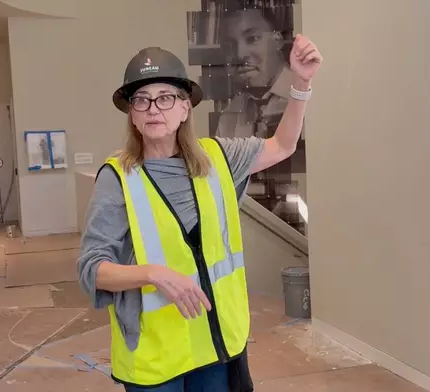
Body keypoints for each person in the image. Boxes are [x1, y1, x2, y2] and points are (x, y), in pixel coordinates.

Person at [77, 35, 322, 391]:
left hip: (216, 344)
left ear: (185, 108)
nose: (153, 109)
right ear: (131, 113)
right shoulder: (118, 178)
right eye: (141, 101)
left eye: (165, 98)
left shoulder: (218, 158)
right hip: (156, 358)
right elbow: (92, 270)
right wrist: (153, 274)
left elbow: (282, 145)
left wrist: (301, 83)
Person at [215, 3, 293, 139]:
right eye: (230, 45)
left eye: (253, 39)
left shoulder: (307, 98)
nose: (240, 54)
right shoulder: (229, 116)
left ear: (278, 40)